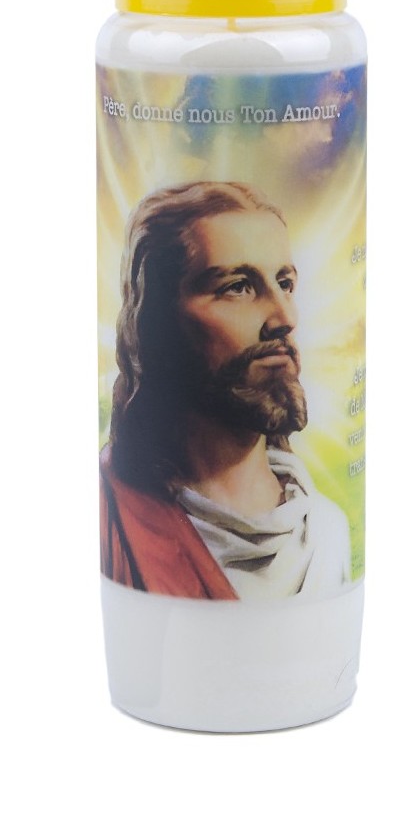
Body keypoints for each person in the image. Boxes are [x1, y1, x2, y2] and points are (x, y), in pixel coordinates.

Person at [100, 181, 352, 601]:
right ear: (158, 323)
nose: (284, 317)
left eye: (285, 283)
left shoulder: (328, 533)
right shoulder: (115, 514)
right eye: (238, 286)